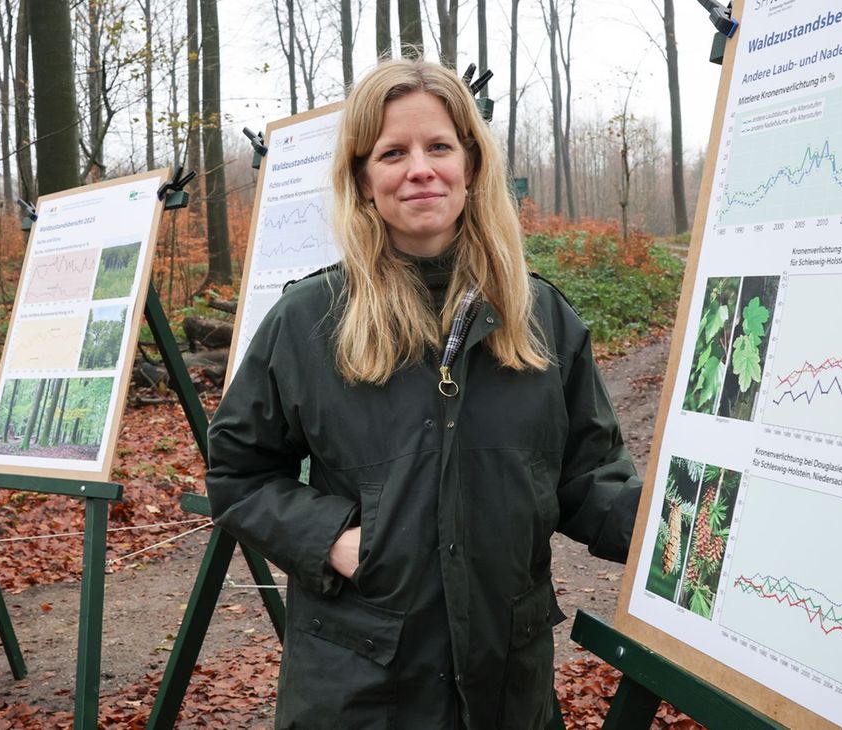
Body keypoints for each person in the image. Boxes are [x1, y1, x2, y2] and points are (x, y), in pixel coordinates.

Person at [206, 59, 642, 729]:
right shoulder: (308, 320)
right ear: (362, 178)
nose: (420, 168)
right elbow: (239, 473)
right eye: (392, 152)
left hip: (507, 688)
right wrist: (332, 538)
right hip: (362, 689)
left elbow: (589, 480)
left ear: (470, 163)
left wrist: (680, 536)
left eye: (439, 146)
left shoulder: (541, 318)